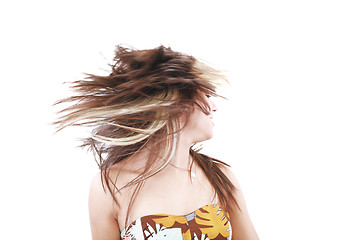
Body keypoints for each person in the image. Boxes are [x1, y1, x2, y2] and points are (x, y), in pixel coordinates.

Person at [54, 45, 259, 240]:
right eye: (206, 95)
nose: (213, 106)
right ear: (178, 103)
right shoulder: (109, 187)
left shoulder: (221, 178)